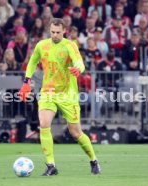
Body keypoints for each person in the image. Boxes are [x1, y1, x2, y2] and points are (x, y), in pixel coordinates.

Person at [18, 18, 100, 176]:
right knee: (44, 124)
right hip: (48, 92)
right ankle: (50, 165)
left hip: (67, 94)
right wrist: (26, 82)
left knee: (76, 133)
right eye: (52, 32)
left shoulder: (70, 45)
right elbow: (32, 62)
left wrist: (77, 69)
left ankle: (93, 159)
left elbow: (79, 62)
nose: (55, 35)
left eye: (58, 32)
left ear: (64, 31)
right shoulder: (42, 45)